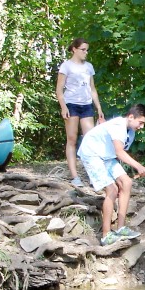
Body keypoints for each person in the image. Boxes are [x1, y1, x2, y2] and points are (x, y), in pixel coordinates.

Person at [77, 104, 145, 246]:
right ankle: (106, 235)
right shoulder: (118, 126)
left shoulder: (131, 132)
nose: (141, 126)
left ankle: (121, 228)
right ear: (130, 117)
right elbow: (119, 152)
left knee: (126, 183)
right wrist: (139, 167)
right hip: (92, 153)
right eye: (140, 122)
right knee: (112, 189)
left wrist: (119, 177)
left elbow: (118, 155)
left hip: (107, 156)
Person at [56, 38, 105, 187]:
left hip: (87, 105)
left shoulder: (89, 67)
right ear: (74, 49)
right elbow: (59, 89)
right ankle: (75, 177)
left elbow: (92, 89)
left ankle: (93, 175)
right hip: (71, 104)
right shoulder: (66, 66)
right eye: (83, 49)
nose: (86, 52)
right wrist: (63, 107)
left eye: (87, 50)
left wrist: (99, 108)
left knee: (89, 140)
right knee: (72, 139)